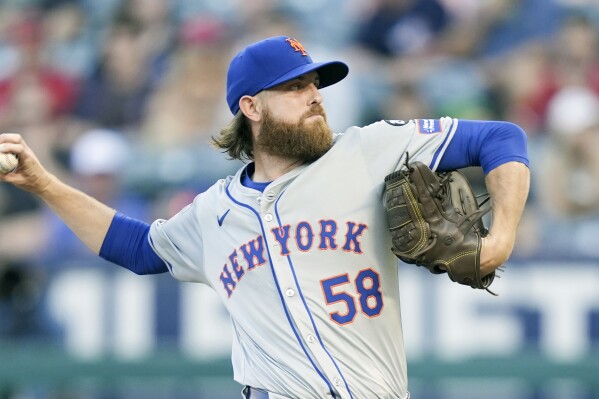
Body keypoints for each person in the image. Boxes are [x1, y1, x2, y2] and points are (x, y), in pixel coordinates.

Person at [0, 36, 530, 399]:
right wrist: (43, 183)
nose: (315, 98)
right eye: (295, 88)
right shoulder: (213, 212)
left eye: (316, 85)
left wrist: (500, 238)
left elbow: (502, 137)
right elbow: (138, 250)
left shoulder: (367, 150)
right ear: (251, 108)